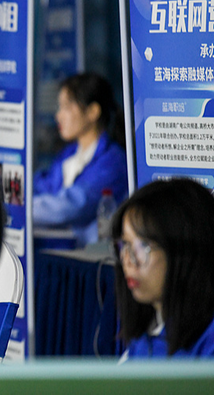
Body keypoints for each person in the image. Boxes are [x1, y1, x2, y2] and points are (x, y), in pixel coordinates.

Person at [112, 179, 214, 360]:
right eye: (125, 245)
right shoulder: (149, 330)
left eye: (143, 246)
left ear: (187, 252)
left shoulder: (208, 341)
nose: (128, 260)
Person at [32, 72, 127, 246]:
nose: (58, 116)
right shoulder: (69, 155)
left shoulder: (113, 162)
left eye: (66, 107)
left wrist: (16, 209)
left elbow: (72, 206)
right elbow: (43, 186)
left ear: (92, 112)